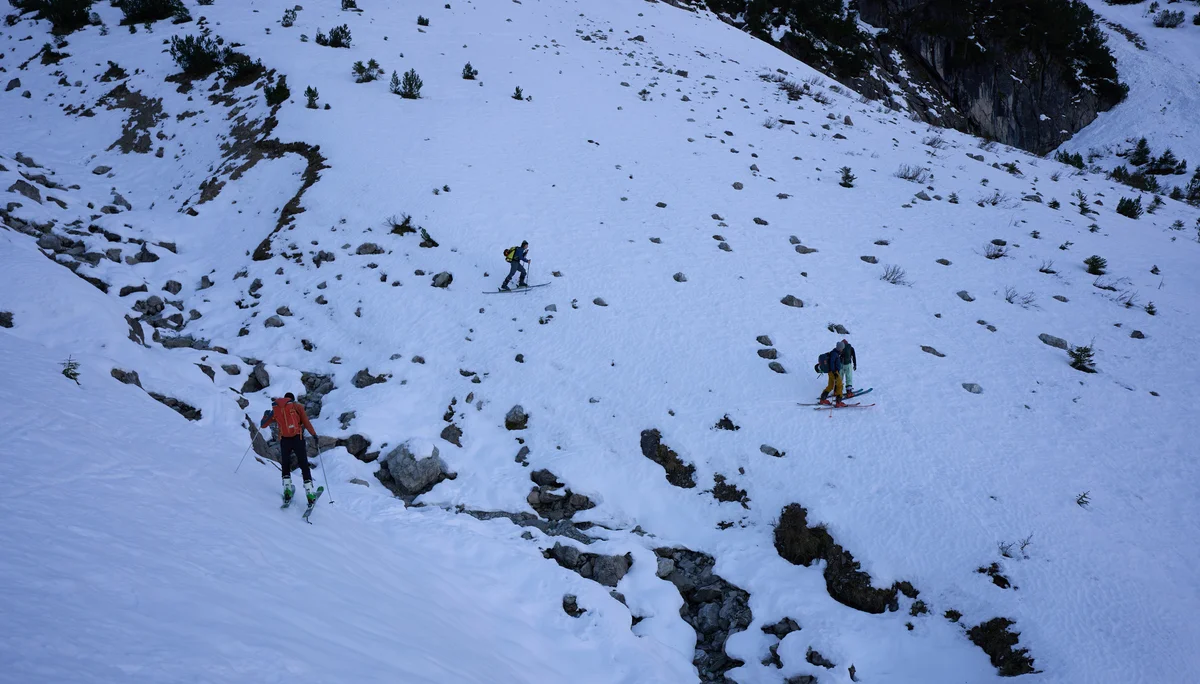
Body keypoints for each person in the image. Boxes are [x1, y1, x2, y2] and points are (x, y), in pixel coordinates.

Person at [260, 392, 320, 504]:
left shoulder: (276, 409)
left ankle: (287, 490)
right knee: (303, 464)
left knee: (286, 464)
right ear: (292, 399)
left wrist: (265, 415)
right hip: (298, 438)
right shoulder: (296, 406)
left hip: (284, 440)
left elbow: (263, 425)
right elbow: (306, 422)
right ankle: (310, 493)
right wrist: (314, 435)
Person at [817, 342, 846, 407]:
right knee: (840, 385)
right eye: (842, 348)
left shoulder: (834, 353)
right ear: (840, 348)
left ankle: (822, 399)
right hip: (834, 372)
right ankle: (838, 402)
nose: (842, 349)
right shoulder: (834, 354)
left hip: (831, 372)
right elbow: (832, 362)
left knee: (830, 386)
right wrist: (834, 372)